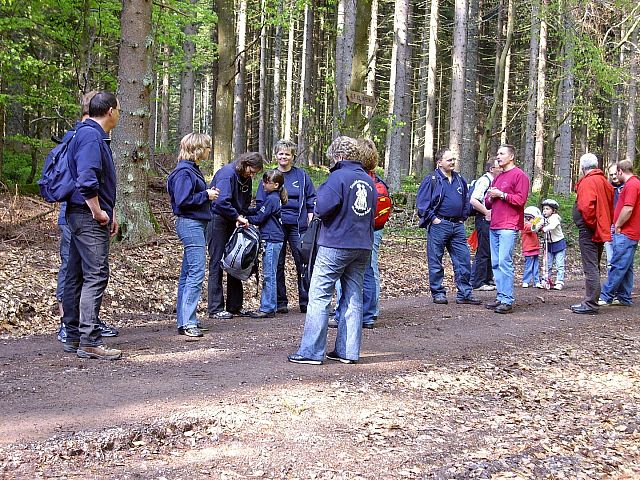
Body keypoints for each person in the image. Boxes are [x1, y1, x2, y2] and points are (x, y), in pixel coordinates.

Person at [288, 136, 376, 365]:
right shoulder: (367, 180)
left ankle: (311, 352)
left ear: (338, 156)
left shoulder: (337, 177)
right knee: (353, 297)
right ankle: (348, 351)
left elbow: (322, 207)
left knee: (319, 296)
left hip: (336, 243)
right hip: (362, 245)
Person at [61, 91, 122, 360]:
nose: (119, 114)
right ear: (110, 110)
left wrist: (110, 210)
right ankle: (88, 339)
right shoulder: (90, 135)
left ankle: (74, 335)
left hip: (80, 214)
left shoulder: (87, 134)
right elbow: (87, 178)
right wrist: (98, 212)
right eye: (118, 109)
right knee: (95, 274)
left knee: (75, 273)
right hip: (86, 216)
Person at [167, 133, 219, 338]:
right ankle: (188, 321)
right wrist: (206, 195)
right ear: (197, 149)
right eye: (207, 147)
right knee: (196, 272)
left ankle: (186, 320)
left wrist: (206, 195)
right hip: (190, 224)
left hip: (196, 223)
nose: (209, 151)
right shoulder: (184, 172)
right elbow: (182, 200)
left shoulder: (192, 170)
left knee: (188, 273)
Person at [256, 140, 316, 314]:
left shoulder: (302, 176)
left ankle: (306, 301)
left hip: (298, 226)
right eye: (280, 153)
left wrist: (311, 215)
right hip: (275, 226)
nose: (284, 157)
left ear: (292, 157)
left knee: (302, 262)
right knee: (277, 263)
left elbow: (311, 198)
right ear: (276, 155)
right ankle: (280, 302)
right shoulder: (269, 176)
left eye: (287, 154)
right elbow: (261, 201)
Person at [333, 138, 387, 329]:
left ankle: (344, 312)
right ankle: (369, 313)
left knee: (347, 270)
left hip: (354, 230)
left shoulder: (351, 177)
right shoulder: (375, 180)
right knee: (370, 269)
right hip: (374, 229)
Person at [416, 148, 481, 306]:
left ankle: (465, 293)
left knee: (463, 259)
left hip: (457, 225)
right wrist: (434, 219)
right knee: (435, 260)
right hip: (439, 225)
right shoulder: (431, 179)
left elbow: (466, 200)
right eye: (449, 160)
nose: (452, 162)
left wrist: (463, 217)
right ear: (439, 162)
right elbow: (422, 204)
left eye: (453, 159)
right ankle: (438, 292)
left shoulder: (459, 179)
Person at [207, 152, 264, 319]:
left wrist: (242, 216)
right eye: (251, 171)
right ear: (244, 164)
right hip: (217, 220)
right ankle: (215, 308)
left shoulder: (245, 177)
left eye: (254, 173)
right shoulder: (227, 174)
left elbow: (245, 202)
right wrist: (237, 216)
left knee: (236, 260)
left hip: (234, 220)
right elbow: (221, 201)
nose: (251, 175)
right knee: (217, 261)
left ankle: (235, 306)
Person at [485, 144, 530, 314]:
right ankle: (501, 296)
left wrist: (501, 195)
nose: (498, 156)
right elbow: (489, 201)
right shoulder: (498, 176)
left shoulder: (520, 176)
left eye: (502, 153)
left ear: (511, 157)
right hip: (494, 224)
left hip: (508, 225)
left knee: (505, 261)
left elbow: (521, 200)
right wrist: (490, 196)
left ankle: (507, 300)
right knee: (496, 263)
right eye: (497, 153)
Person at [571, 153, 613, 314]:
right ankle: (592, 300)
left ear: (582, 167)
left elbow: (586, 207)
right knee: (594, 264)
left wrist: (590, 224)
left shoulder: (589, 182)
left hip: (591, 230)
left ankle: (590, 303)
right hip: (599, 228)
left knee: (591, 266)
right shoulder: (604, 181)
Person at [598, 159, 640, 307]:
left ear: (621, 171)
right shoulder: (633, 184)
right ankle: (624, 297)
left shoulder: (632, 185)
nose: (615, 176)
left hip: (626, 232)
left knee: (618, 264)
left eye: (616, 173)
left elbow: (628, 208)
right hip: (630, 232)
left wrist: (618, 225)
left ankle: (605, 296)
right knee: (626, 266)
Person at [247, 169, 288, 318]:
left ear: (276, 185)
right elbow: (259, 211)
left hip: (272, 239)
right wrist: (244, 211)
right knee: (270, 273)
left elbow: (259, 218)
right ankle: (269, 305)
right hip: (273, 239)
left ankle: (268, 307)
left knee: (269, 274)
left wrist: (244, 219)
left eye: (267, 182)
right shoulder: (272, 197)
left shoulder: (272, 198)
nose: (263, 184)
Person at [470, 158, 502, 291]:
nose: (501, 169)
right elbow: (473, 200)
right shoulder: (484, 181)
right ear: (491, 169)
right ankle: (478, 282)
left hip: (491, 220)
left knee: (490, 249)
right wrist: (486, 212)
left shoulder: (495, 182)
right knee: (483, 250)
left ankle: (487, 279)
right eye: (498, 167)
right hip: (483, 219)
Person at [536, 198, 567, 290]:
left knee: (559, 264)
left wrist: (544, 228)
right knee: (547, 264)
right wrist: (536, 225)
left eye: (547, 209)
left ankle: (559, 282)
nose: (545, 211)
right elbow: (534, 227)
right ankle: (545, 279)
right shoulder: (542, 218)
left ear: (553, 210)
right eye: (544, 209)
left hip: (558, 243)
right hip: (548, 244)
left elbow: (552, 225)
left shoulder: (555, 217)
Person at [604, 163, 625, 270]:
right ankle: (613, 285)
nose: (614, 177)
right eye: (611, 175)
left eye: (615, 174)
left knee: (622, 259)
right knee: (610, 259)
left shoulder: (627, 187)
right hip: (609, 226)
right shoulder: (608, 188)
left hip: (624, 227)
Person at [521, 206, 542, 288]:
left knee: (535, 266)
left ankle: (537, 281)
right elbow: (532, 228)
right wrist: (537, 221)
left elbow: (536, 228)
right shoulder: (525, 225)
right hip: (528, 249)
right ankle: (526, 281)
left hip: (535, 248)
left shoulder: (532, 225)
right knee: (529, 266)